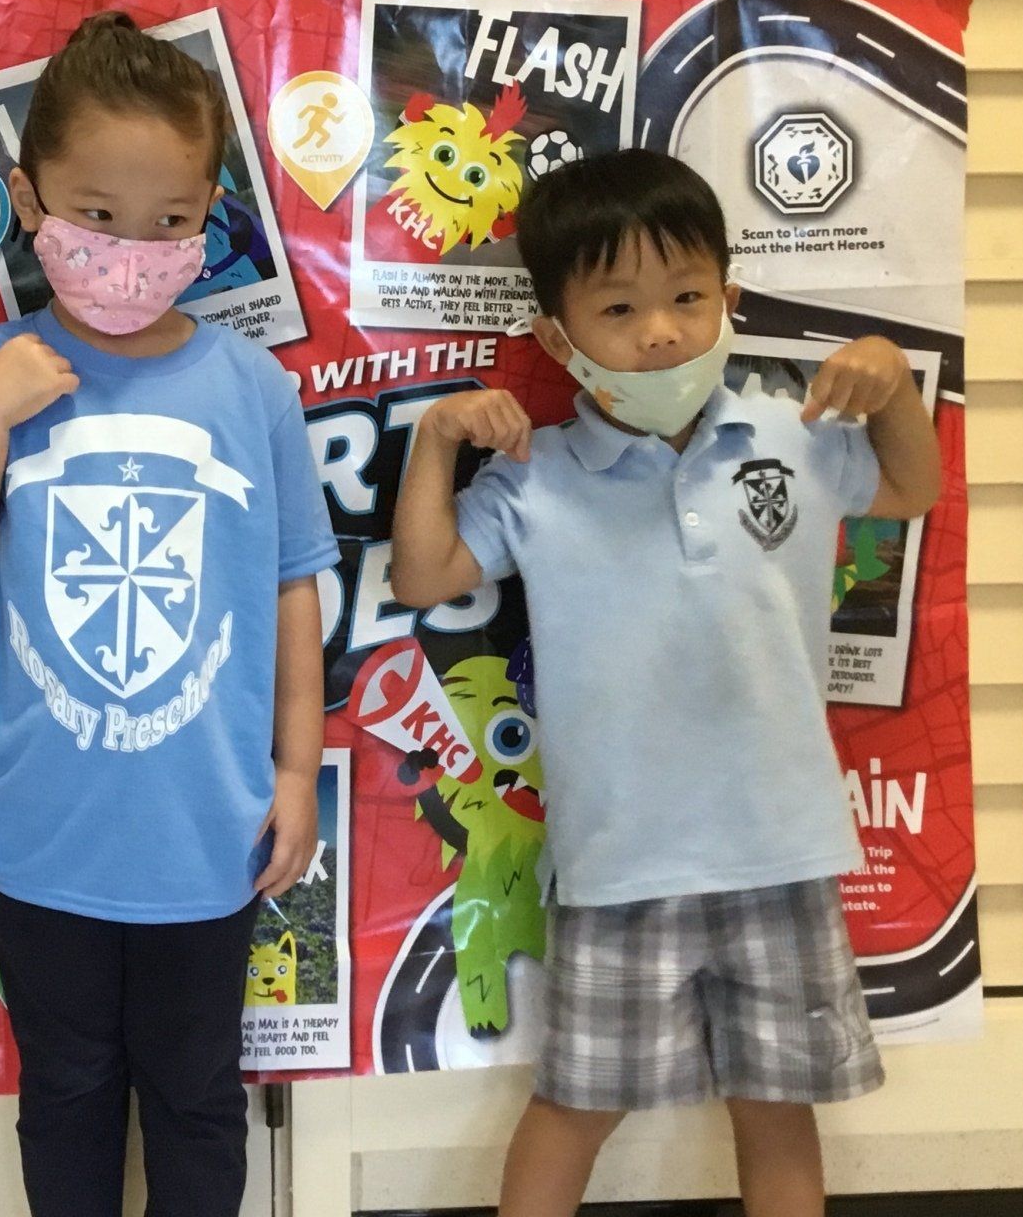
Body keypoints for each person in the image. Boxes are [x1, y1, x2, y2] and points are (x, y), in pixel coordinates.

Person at [388, 149, 942, 1217]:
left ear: (728, 298)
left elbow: (912, 488)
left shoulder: (795, 433)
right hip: (621, 861)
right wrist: (437, 438)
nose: (661, 332)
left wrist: (886, 380)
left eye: (688, 297)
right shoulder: (539, 476)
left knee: (778, 1112)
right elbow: (424, 575)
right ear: (556, 336)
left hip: (782, 849)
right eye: (619, 308)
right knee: (574, 1108)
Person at [0, 11, 336, 1217]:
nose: (130, 250)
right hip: (39, 821)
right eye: (96, 213)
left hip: (207, 824)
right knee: (69, 1088)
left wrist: (298, 771)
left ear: (212, 217)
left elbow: (293, 583)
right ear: (29, 196)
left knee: (196, 1096)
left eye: (170, 221)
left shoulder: (252, 387)